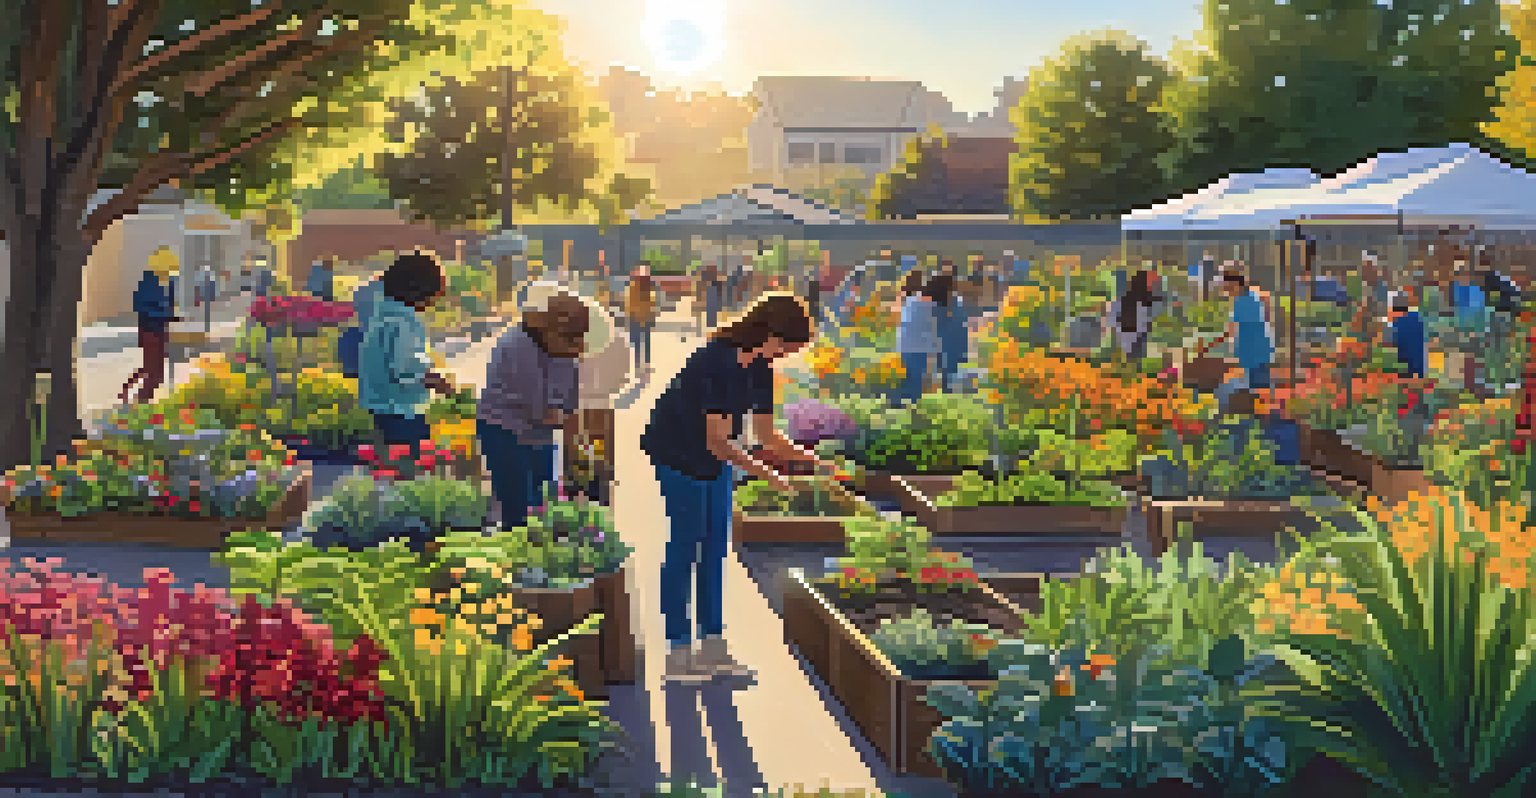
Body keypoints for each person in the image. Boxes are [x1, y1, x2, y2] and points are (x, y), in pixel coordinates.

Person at [640, 292, 827, 683]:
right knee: (685, 547)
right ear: (773, 335)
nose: (788, 354)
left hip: (714, 458)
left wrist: (810, 460)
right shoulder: (718, 361)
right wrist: (768, 474)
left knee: (713, 550)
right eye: (789, 346)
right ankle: (677, 651)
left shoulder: (759, 366)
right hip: (679, 456)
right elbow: (717, 441)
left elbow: (764, 433)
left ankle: (712, 647)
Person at [479, 283, 588, 527]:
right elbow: (538, 409)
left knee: (543, 503)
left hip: (539, 434)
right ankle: (517, 558)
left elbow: (570, 397)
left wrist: (574, 429)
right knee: (517, 506)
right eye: (569, 341)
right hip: (505, 430)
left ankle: (536, 556)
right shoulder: (518, 345)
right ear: (549, 331)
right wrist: (565, 420)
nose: (575, 349)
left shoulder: (566, 348)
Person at [358, 252, 457, 446]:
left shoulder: (382, 315)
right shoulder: (403, 322)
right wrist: (446, 387)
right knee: (411, 470)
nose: (437, 298)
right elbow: (407, 369)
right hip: (402, 413)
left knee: (391, 467)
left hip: (381, 409)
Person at [119, 246, 181, 405]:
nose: (171, 273)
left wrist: (171, 312)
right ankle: (141, 401)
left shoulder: (165, 282)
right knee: (153, 371)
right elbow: (142, 306)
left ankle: (128, 391)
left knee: (153, 370)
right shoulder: (148, 283)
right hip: (150, 329)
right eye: (170, 269)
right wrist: (166, 315)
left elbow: (168, 304)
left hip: (159, 329)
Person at [1213, 271, 1274, 412]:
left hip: (1254, 354)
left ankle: (1261, 421)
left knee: (1258, 392)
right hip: (1257, 353)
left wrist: (1212, 344)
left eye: (1225, 285)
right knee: (1258, 391)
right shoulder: (1249, 298)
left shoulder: (1244, 302)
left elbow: (1236, 330)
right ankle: (1260, 418)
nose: (1224, 289)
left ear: (1235, 284)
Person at [895, 269, 939, 406]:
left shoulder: (905, 303)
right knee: (916, 388)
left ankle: (903, 411)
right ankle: (913, 414)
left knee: (905, 384)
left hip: (904, 347)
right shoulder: (925, 302)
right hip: (919, 349)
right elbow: (931, 329)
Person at [1111, 269, 1164, 364]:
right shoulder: (1135, 298)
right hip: (1131, 330)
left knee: (1133, 355)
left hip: (1132, 330)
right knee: (1133, 355)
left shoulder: (1132, 296)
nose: (1151, 285)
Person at [931, 274, 969, 392]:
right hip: (945, 337)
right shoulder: (944, 301)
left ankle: (946, 387)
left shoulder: (955, 301)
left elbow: (961, 321)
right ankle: (945, 386)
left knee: (949, 365)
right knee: (945, 364)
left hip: (950, 337)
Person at [626, 266, 657, 370]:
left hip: (637, 319)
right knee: (644, 343)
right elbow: (651, 304)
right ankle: (643, 365)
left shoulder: (634, 286)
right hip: (641, 319)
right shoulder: (641, 288)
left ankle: (640, 365)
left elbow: (630, 304)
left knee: (640, 344)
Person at [1389, 298, 1427, 379]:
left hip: (1405, 362)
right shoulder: (1417, 316)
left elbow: (1394, 342)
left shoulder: (1397, 322)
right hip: (1419, 361)